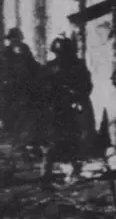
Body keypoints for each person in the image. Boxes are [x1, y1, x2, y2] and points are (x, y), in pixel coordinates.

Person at [42, 36, 95, 184]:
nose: (62, 57)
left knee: (77, 139)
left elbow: (87, 85)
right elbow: (44, 88)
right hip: (57, 108)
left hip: (76, 106)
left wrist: (77, 96)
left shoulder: (78, 65)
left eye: (65, 53)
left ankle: (75, 172)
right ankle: (47, 172)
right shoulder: (50, 67)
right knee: (53, 140)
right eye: (60, 53)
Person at [0, 28, 43, 149]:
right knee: (12, 119)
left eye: (17, 39)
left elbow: (34, 66)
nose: (16, 42)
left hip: (26, 91)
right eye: (13, 40)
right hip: (10, 93)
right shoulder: (4, 55)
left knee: (27, 117)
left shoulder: (25, 51)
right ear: (9, 41)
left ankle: (27, 144)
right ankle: (16, 144)